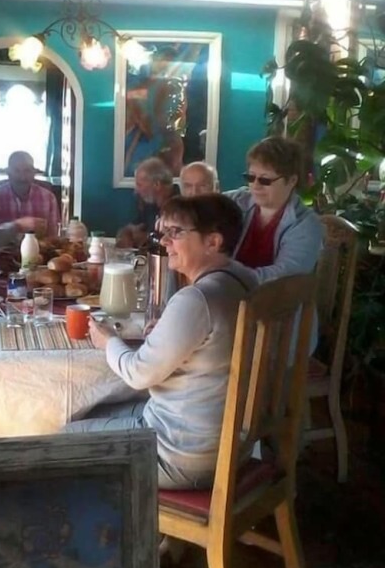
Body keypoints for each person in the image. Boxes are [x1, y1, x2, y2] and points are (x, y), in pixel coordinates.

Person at [65, 194, 257, 490]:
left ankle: (108, 514)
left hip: (181, 456)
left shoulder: (197, 299)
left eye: (176, 232)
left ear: (213, 242)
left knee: (63, 438)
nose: (165, 241)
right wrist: (169, 329)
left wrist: (108, 340)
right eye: (164, 231)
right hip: (230, 446)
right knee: (89, 410)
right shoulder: (244, 279)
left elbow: (138, 374)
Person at [226, 136, 323, 281]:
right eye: (250, 177)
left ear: (292, 181)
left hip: (273, 295)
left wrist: (225, 279)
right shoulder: (236, 200)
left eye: (265, 180)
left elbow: (284, 277)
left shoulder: (306, 224)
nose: (255, 185)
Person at [0, 151, 60, 237]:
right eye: (16, 171)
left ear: (34, 172)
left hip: (39, 245)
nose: (22, 177)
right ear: (8, 172)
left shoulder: (49, 198)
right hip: (3, 245)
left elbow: (54, 235)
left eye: (27, 171)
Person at [116, 157, 180, 248]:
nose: (136, 191)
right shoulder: (149, 204)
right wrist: (126, 234)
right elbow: (131, 228)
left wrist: (147, 238)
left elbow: (176, 243)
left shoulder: (181, 206)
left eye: (139, 185)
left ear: (157, 185)